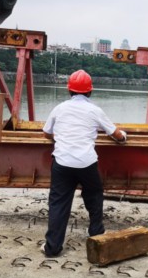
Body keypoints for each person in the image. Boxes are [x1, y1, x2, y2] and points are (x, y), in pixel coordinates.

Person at [40, 69, 126, 257]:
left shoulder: (59, 108)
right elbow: (116, 134)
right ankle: (96, 235)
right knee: (94, 196)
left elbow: (46, 133)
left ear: (69, 89)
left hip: (62, 162)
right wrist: (123, 137)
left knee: (58, 203)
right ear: (90, 91)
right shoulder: (95, 110)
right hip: (87, 163)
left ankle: (52, 248)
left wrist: (60, 137)